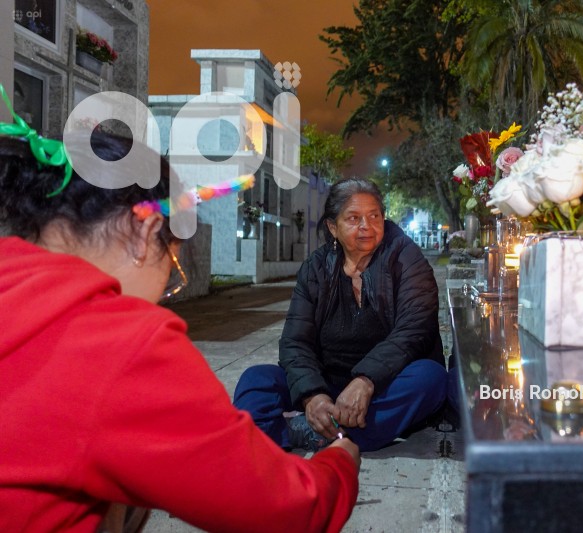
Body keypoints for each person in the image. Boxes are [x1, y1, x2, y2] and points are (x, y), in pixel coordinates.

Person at [0, 113, 359, 532]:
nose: (163, 297)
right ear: (145, 230)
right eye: (172, 267)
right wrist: (339, 463)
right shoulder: (116, 342)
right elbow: (286, 507)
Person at [234, 178, 447, 452]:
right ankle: (328, 428)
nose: (366, 227)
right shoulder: (316, 268)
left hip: (384, 387)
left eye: (374, 216)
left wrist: (366, 381)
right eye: (353, 218)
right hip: (327, 383)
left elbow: (415, 330)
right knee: (257, 380)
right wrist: (312, 396)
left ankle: (304, 433)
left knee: (431, 378)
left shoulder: (406, 259)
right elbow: (295, 342)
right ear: (333, 227)